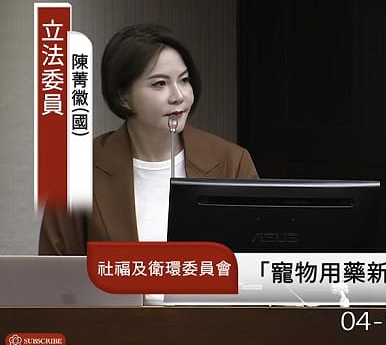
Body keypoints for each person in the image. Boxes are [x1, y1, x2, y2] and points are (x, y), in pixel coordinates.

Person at [39, 23, 259, 255]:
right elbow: (54, 268)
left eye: (184, 80)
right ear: (123, 96)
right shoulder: (77, 170)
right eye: (159, 84)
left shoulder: (232, 162)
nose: (178, 96)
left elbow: (258, 262)